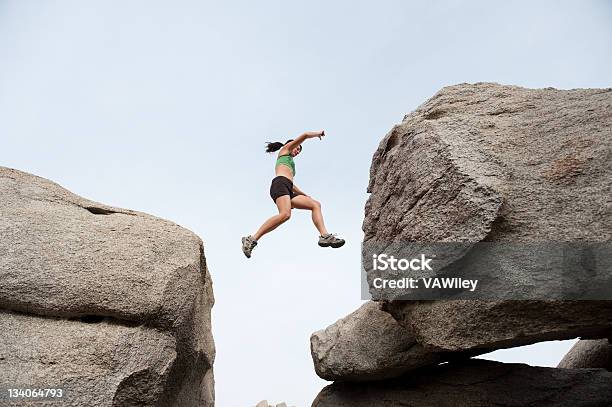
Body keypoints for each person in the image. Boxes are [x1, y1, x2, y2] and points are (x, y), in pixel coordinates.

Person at [241, 130, 345, 258]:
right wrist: (317, 134)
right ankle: (252, 239)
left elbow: (292, 185)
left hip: (288, 187)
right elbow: (305, 135)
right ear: (291, 144)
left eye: (299, 152)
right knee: (285, 215)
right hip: (279, 184)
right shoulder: (285, 150)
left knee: (315, 204)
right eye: (297, 148)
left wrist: (305, 195)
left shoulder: (290, 163)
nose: (297, 152)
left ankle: (325, 236)